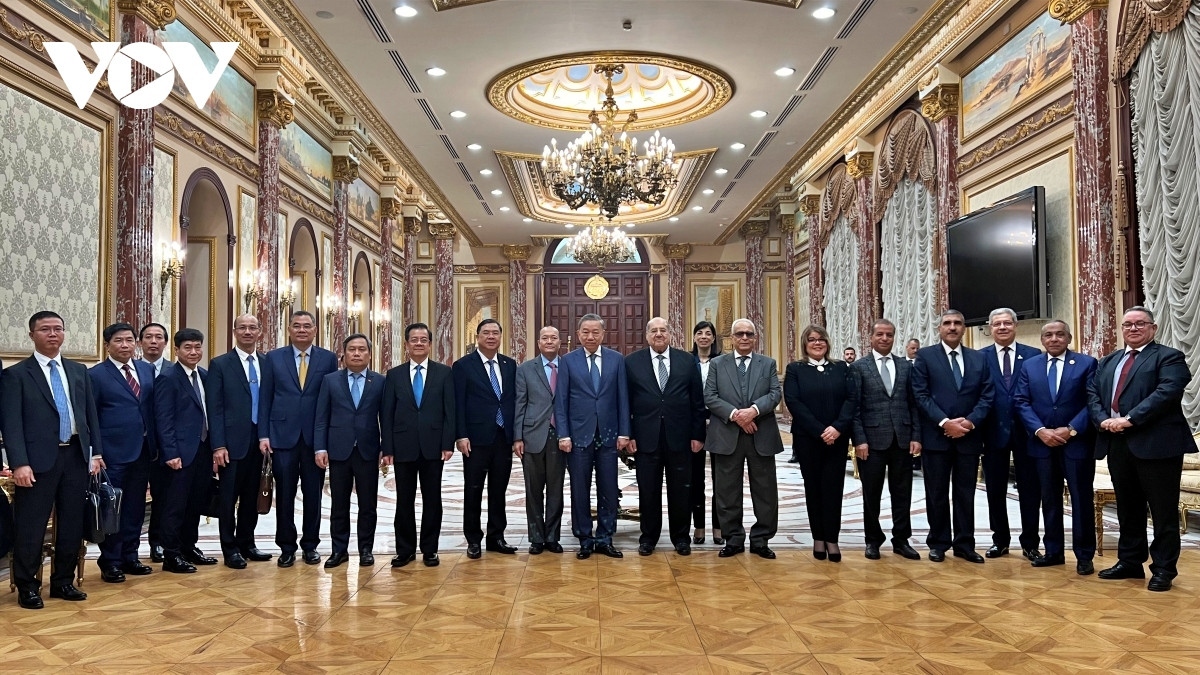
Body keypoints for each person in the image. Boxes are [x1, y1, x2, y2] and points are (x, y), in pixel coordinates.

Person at [1088, 306, 1194, 592]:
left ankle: (1163, 569)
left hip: (1157, 445)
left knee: (1162, 511)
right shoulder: (1108, 361)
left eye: (1140, 324)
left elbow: (1167, 392)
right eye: (1128, 325)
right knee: (1128, 507)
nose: (1133, 329)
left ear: (1153, 328)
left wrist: (1129, 419)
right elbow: (1093, 395)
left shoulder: (1169, 357)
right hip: (1118, 444)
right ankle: (1130, 561)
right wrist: (1104, 420)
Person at [1, 311, 103, 609]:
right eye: (45, 329)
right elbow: (11, 424)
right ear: (32, 334)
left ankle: (62, 582)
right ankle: (28, 586)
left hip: (75, 456)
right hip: (36, 462)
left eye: (58, 329)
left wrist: (94, 453)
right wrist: (19, 462)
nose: (53, 334)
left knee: (71, 523)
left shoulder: (78, 371)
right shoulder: (16, 375)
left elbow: (90, 417)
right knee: (31, 526)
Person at [1013, 320, 1097, 574]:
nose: (1054, 339)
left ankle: (1084, 556)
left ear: (1069, 338)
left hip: (1076, 444)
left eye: (1060, 334)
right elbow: (1021, 401)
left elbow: (1093, 401)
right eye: (1048, 335)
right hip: (1041, 445)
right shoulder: (1030, 366)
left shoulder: (1086, 363)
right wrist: (1040, 431)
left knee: (1081, 500)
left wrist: (1070, 429)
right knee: (1049, 500)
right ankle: (1053, 552)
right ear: (1042, 340)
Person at [912, 309, 994, 563]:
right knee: (936, 493)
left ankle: (964, 544)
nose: (952, 327)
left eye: (958, 323)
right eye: (947, 323)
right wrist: (945, 422)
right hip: (937, 438)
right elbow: (920, 394)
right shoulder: (925, 357)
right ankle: (938, 542)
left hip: (968, 438)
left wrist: (969, 422)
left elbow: (987, 395)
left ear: (964, 328)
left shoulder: (978, 359)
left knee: (965, 493)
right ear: (940, 328)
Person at [258, 310, 337, 567]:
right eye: (296, 326)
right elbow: (265, 397)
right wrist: (264, 434)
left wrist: (326, 439)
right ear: (288, 329)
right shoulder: (273, 358)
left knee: (314, 494)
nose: (302, 330)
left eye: (307, 326)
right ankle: (287, 547)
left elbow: (329, 400)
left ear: (315, 330)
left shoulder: (328, 359)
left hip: (315, 438)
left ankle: (311, 545)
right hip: (282, 437)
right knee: (285, 495)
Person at [626, 317, 707, 556]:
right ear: (647, 336)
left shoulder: (687, 360)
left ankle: (681, 537)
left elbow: (697, 401)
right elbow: (626, 402)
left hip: (680, 438)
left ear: (670, 334)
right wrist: (628, 435)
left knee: (681, 490)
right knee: (648, 490)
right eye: (654, 331)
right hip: (645, 438)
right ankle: (648, 538)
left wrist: (698, 435)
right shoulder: (632, 362)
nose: (659, 334)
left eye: (663, 330)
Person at [704, 318, 784, 559]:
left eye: (749, 334)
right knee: (727, 491)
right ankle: (733, 539)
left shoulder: (767, 363)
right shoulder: (717, 364)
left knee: (765, 491)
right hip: (727, 435)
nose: (745, 338)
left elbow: (774, 393)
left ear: (755, 337)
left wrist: (753, 412)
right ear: (732, 338)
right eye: (740, 334)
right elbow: (709, 395)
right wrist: (736, 416)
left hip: (761, 435)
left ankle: (761, 539)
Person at [555, 313, 630, 559]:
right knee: (580, 489)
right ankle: (585, 538)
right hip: (578, 437)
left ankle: (605, 538)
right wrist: (563, 434)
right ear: (578, 335)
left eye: (595, 332)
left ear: (603, 334)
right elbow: (562, 400)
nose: (590, 336)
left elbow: (622, 398)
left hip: (608, 436)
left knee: (608, 488)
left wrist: (624, 432)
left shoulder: (617, 360)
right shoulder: (567, 361)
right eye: (585, 332)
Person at [381, 323, 455, 568]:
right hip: (403, 447)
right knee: (404, 500)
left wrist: (447, 443)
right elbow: (387, 414)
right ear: (406, 344)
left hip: (434, 446)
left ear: (430, 344)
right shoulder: (394, 375)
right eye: (414, 339)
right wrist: (388, 448)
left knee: (433, 500)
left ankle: (430, 549)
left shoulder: (444, 373)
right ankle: (405, 550)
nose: (419, 343)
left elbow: (449, 413)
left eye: (424, 339)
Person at [89, 322, 157, 583]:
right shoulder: (96, 375)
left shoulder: (146, 370)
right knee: (113, 508)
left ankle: (131, 556)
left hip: (143, 450)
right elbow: (91, 417)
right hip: (112, 454)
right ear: (107, 345)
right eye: (119, 341)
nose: (125, 345)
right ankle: (111, 561)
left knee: (135, 508)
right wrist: (96, 452)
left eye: (129, 340)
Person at [850, 318, 922, 561]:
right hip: (871, 442)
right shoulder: (859, 367)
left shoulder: (905, 366)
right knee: (872, 493)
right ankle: (873, 540)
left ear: (894, 338)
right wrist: (859, 440)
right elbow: (855, 408)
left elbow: (913, 405)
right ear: (870, 337)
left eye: (889, 335)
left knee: (902, 493)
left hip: (902, 439)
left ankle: (901, 540)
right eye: (879, 334)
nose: (884, 338)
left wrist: (916, 435)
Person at [206, 315, 273, 569]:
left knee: (251, 497)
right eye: (242, 327)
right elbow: (215, 407)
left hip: (260, 443)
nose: (247, 332)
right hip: (231, 446)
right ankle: (230, 547)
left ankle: (248, 542)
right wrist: (218, 445)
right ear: (234, 331)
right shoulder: (221, 364)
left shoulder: (268, 363)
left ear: (260, 332)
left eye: (252, 328)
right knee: (228, 499)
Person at [785, 325, 856, 562]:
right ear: (805, 344)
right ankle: (818, 537)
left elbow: (851, 399)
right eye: (812, 340)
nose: (817, 343)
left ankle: (832, 539)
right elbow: (794, 402)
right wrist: (819, 430)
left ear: (827, 342)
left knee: (834, 489)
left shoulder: (840, 368)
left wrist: (836, 428)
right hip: (808, 439)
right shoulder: (795, 369)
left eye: (821, 339)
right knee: (813, 489)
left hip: (837, 438)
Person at [314, 333, 384, 568]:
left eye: (362, 349)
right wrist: (320, 447)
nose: (356, 353)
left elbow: (386, 418)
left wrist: (386, 448)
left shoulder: (380, 381)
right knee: (339, 504)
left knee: (368, 504)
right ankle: (339, 550)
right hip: (338, 450)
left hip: (368, 450)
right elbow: (321, 418)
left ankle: (366, 549)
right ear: (343, 354)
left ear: (369, 354)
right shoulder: (330, 381)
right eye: (352, 349)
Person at [979, 308, 1043, 560]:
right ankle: (1000, 540)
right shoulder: (979, 358)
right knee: (994, 490)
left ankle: (1030, 542)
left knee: (1030, 489)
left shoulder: (1033, 355)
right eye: (997, 324)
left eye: (1007, 323)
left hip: (1027, 433)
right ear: (990, 328)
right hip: (993, 433)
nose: (1002, 327)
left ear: (1015, 326)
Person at [453, 319, 518, 559]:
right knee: (473, 490)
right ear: (477, 337)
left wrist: (516, 435)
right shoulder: (463, 366)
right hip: (475, 439)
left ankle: (496, 537)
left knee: (499, 490)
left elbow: (512, 400)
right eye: (486, 333)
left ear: (501, 336)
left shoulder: (509, 365)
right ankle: (473, 539)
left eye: (495, 333)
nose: (491, 337)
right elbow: (458, 403)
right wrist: (461, 435)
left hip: (503, 437)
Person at [153, 328, 216, 573]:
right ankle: (171, 555)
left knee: (195, 504)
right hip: (179, 453)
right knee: (174, 506)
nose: (193, 352)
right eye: (187, 347)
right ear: (176, 350)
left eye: (197, 347)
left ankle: (189, 547)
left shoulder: (205, 375)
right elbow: (163, 419)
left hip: (202, 450)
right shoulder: (168, 378)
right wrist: (170, 453)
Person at [513, 326, 567, 555]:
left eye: (554, 337)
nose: (549, 341)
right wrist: (517, 437)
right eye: (544, 337)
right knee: (533, 490)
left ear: (559, 342)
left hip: (561, 434)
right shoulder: (526, 369)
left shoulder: (569, 366)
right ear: (538, 342)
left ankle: (553, 537)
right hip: (533, 434)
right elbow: (520, 403)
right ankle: (536, 537)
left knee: (556, 489)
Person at [138, 321, 170, 563]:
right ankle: (128, 548)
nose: (153, 341)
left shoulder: (174, 370)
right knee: (135, 498)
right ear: (141, 342)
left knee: (163, 497)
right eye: (148, 337)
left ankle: (157, 542)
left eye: (158, 337)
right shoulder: (134, 370)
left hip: (166, 446)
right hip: (138, 445)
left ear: (166, 343)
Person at [690, 321, 724, 543]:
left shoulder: (723, 362)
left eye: (708, 333)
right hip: (693, 425)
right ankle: (699, 527)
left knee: (720, 479)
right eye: (699, 333)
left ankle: (719, 528)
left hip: (720, 424)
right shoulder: (685, 361)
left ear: (713, 339)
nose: (703, 337)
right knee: (695, 479)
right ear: (694, 338)